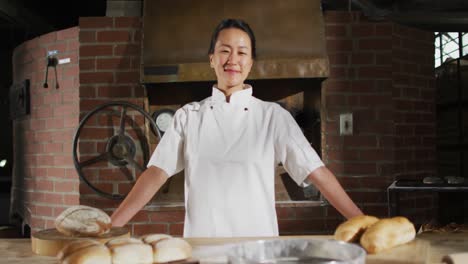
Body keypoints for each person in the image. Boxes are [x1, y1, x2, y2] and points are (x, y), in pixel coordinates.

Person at [111, 18, 363, 237]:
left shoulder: (272, 116)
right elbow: (156, 174)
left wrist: (362, 223)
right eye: (225, 51)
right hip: (203, 247)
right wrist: (112, 225)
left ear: (251, 63)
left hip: (258, 249)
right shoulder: (188, 116)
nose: (233, 60)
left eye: (242, 52)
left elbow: (316, 172)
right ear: (212, 59)